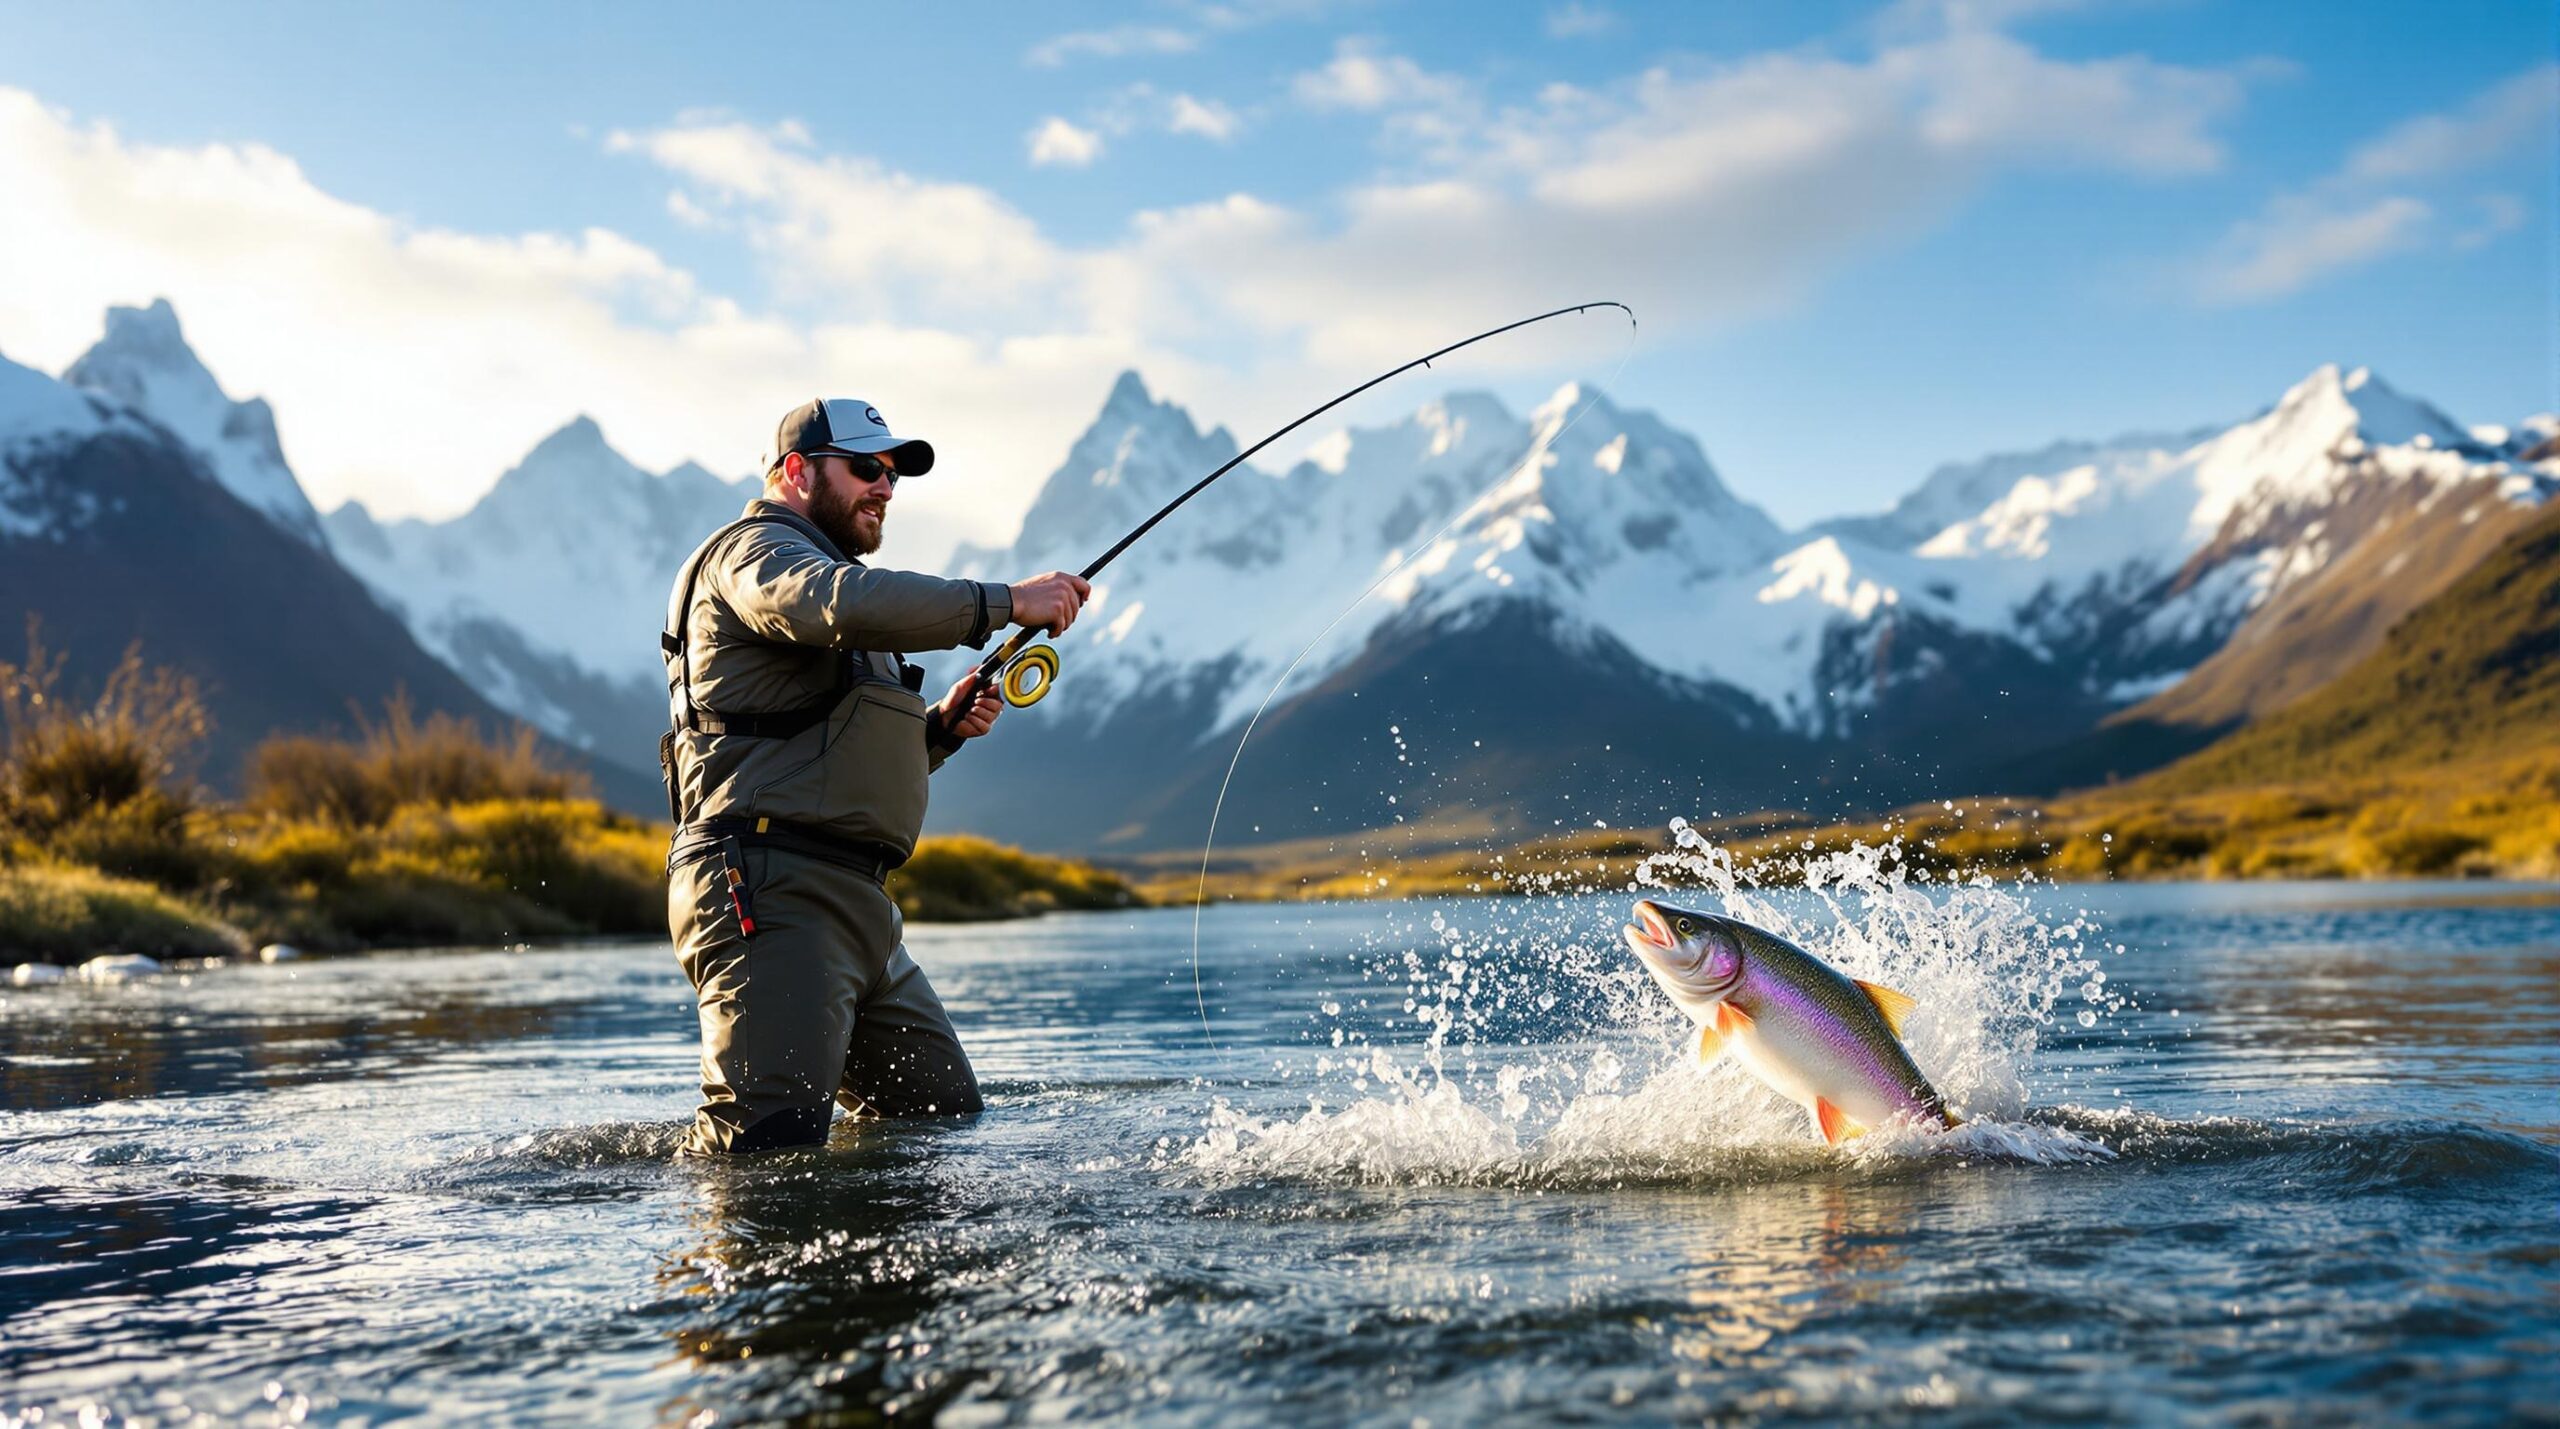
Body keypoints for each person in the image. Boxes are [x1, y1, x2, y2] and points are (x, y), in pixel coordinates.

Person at [659, 396, 1088, 1155]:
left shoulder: (842, 589)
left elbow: (823, 757)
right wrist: (1007, 602)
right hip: (767, 886)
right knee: (762, 1154)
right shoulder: (754, 554)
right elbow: (830, 605)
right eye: (865, 469)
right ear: (796, 471)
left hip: (862, 910)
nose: (885, 488)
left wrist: (939, 732)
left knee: (940, 1118)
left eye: (892, 474)